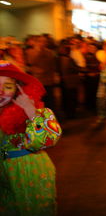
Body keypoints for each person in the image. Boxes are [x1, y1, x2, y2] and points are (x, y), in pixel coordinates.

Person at [0, 60, 62, 215]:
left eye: (7, 86)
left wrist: (30, 110)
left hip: (31, 172)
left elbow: (50, 139)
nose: (0, 92)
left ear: (18, 88)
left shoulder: (37, 111)